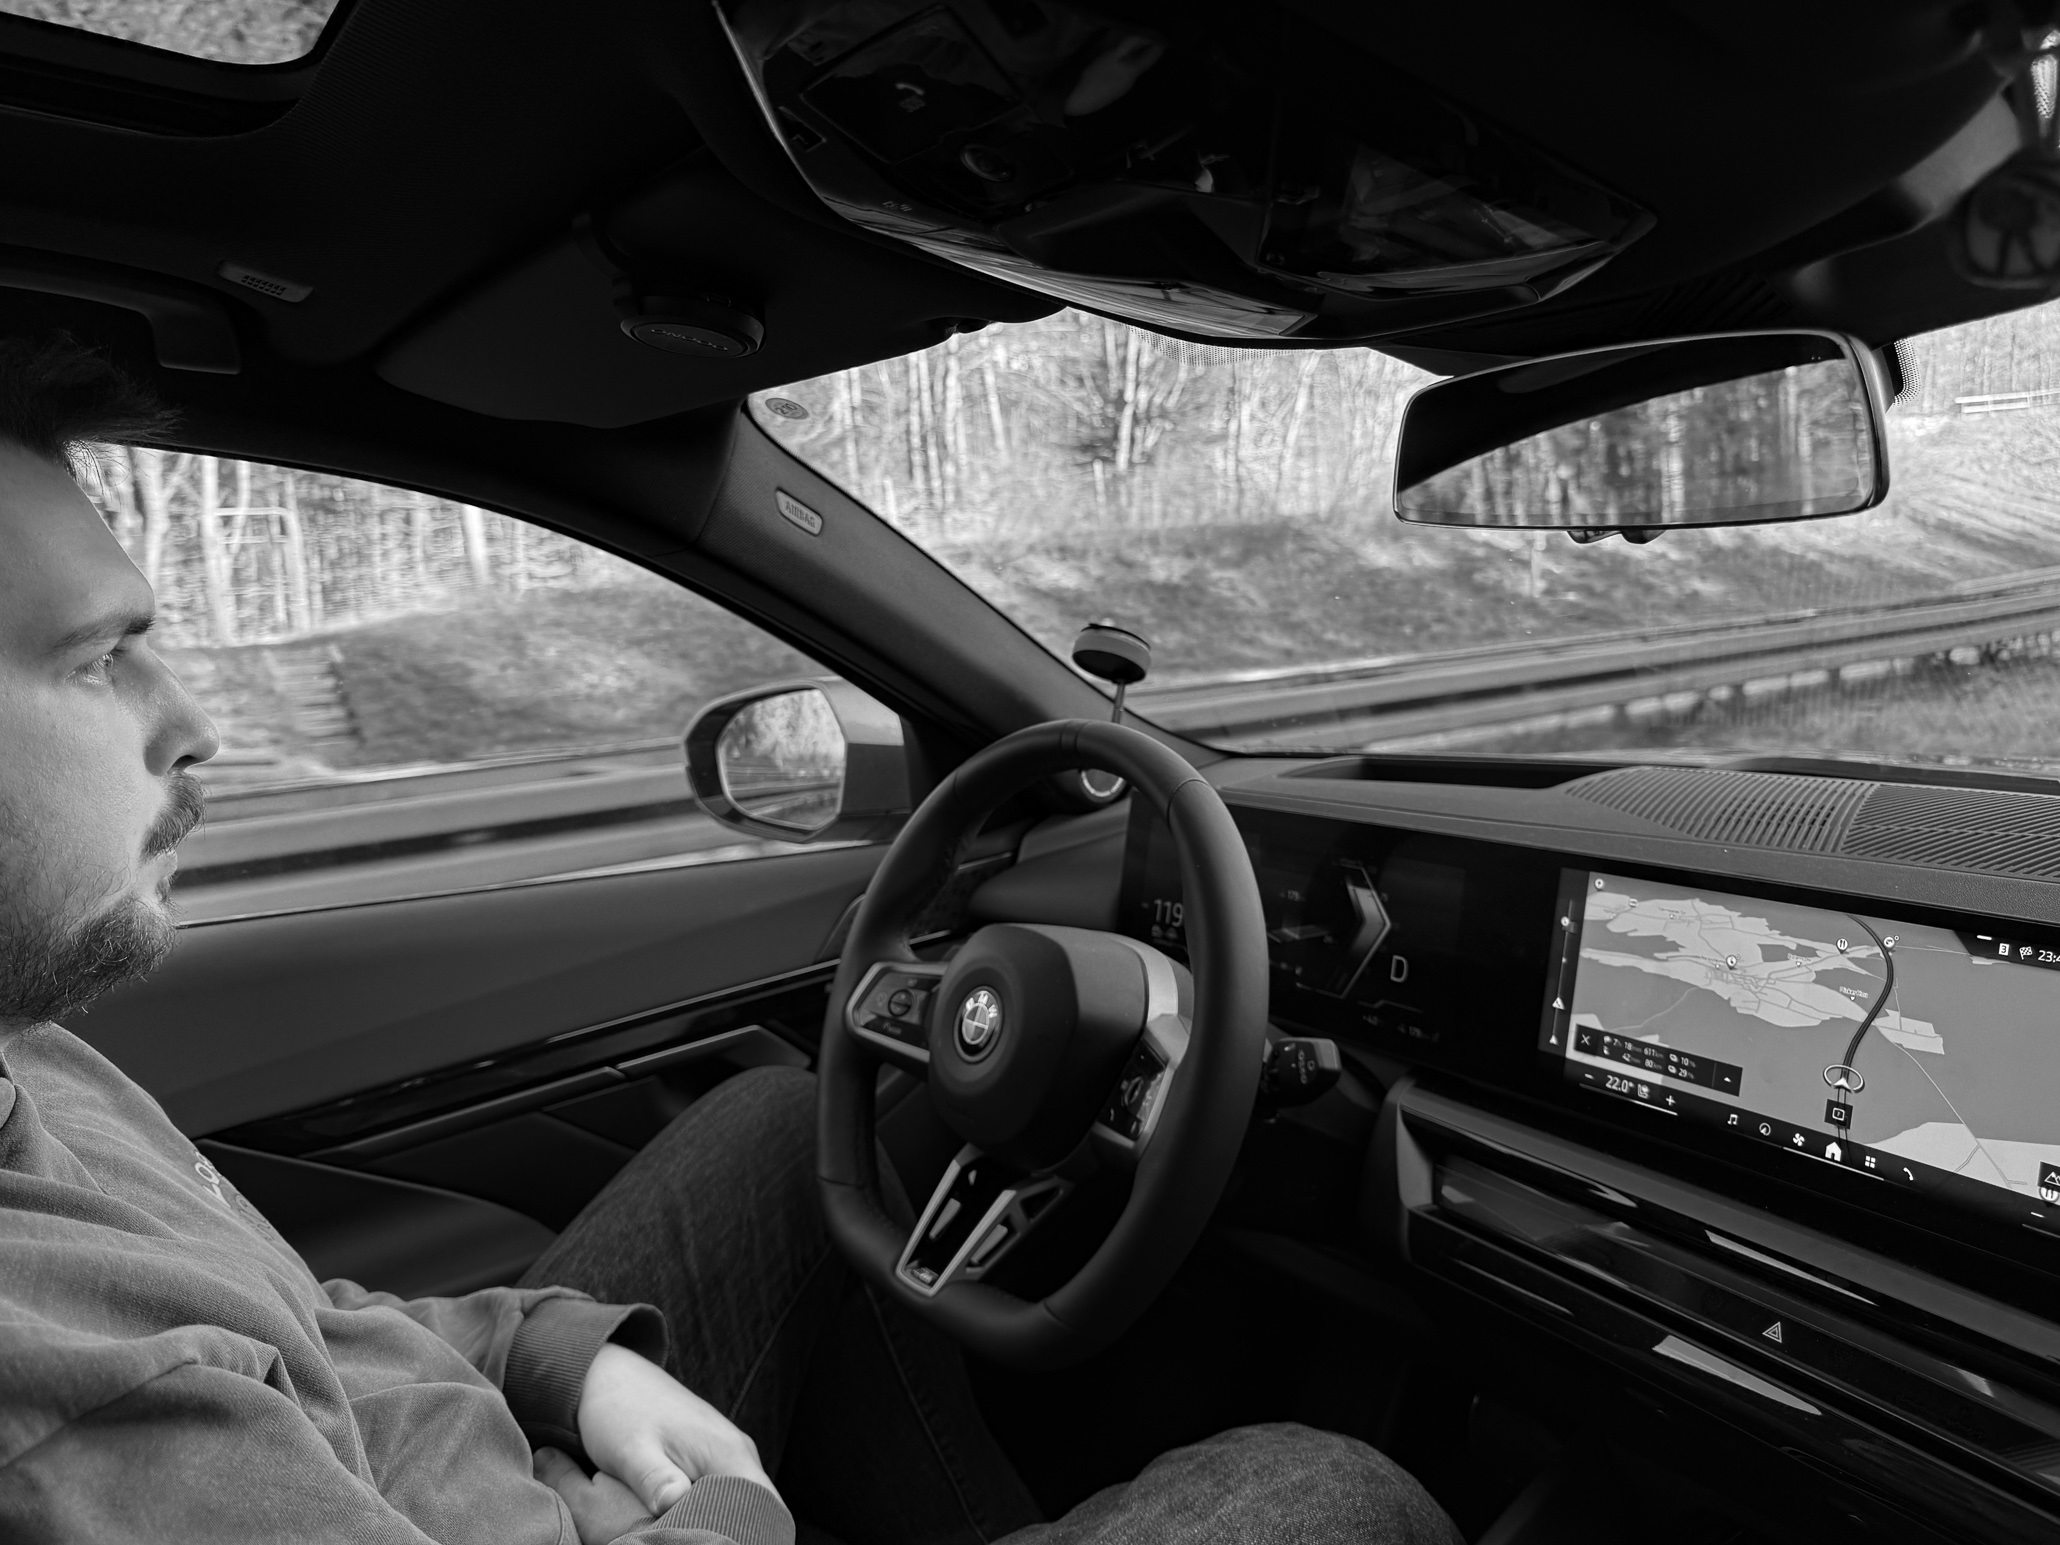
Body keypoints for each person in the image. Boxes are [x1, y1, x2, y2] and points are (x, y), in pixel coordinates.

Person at [0, 334, 1462, 1545]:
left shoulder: (29, 1043)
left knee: (777, 1126)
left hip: (457, 1469)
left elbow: (295, 1317)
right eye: (97, 660)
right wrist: (725, 1520)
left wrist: (557, 1363)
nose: (195, 729)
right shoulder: (76, 1418)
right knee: (1330, 1490)